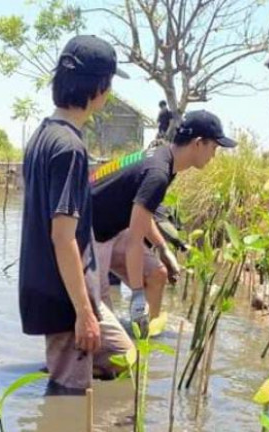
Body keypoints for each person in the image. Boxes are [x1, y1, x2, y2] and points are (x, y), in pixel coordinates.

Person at [18, 35, 131, 395]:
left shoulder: (43, 136)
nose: (109, 92)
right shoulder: (69, 148)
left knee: (122, 356)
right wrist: (84, 312)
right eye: (109, 83)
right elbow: (63, 236)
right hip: (62, 294)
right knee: (67, 394)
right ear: (98, 87)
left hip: (51, 285)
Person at [90, 111, 237, 324]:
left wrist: (163, 249)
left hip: (113, 226)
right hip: (87, 232)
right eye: (214, 148)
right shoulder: (158, 172)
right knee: (102, 322)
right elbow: (134, 241)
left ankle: (148, 339)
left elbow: (142, 214)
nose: (213, 155)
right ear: (198, 143)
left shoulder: (164, 159)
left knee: (156, 274)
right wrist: (138, 294)